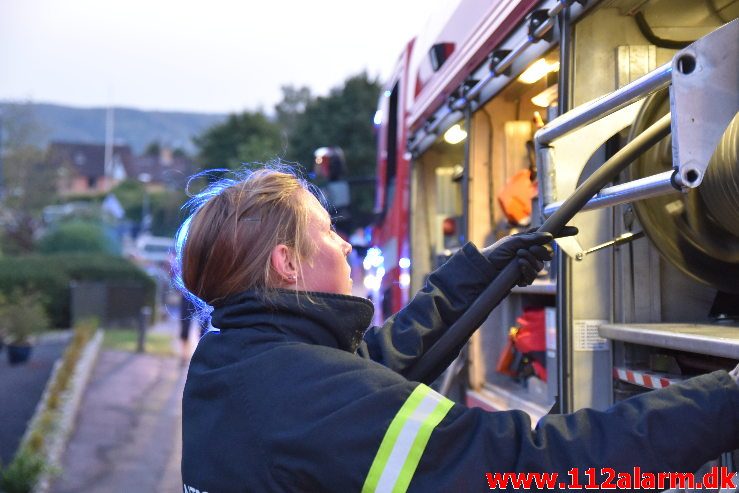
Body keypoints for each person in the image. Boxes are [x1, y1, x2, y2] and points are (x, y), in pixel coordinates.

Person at [177, 167, 739, 492]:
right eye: (327, 232)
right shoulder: (310, 394)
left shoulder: (233, 361)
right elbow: (529, 467)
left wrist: (476, 273)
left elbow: (374, 365)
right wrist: (726, 401)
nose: (346, 245)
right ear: (287, 264)